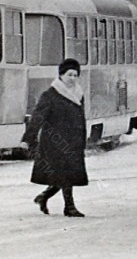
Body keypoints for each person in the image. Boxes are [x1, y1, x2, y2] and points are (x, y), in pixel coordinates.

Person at [20, 58, 88, 217]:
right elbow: (37, 118)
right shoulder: (50, 95)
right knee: (65, 174)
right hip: (54, 142)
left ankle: (43, 197)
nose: (72, 78)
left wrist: (83, 139)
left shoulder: (78, 94)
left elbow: (81, 118)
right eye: (69, 74)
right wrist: (27, 139)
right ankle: (69, 207)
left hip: (73, 141)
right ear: (61, 76)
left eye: (75, 75)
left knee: (64, 175)